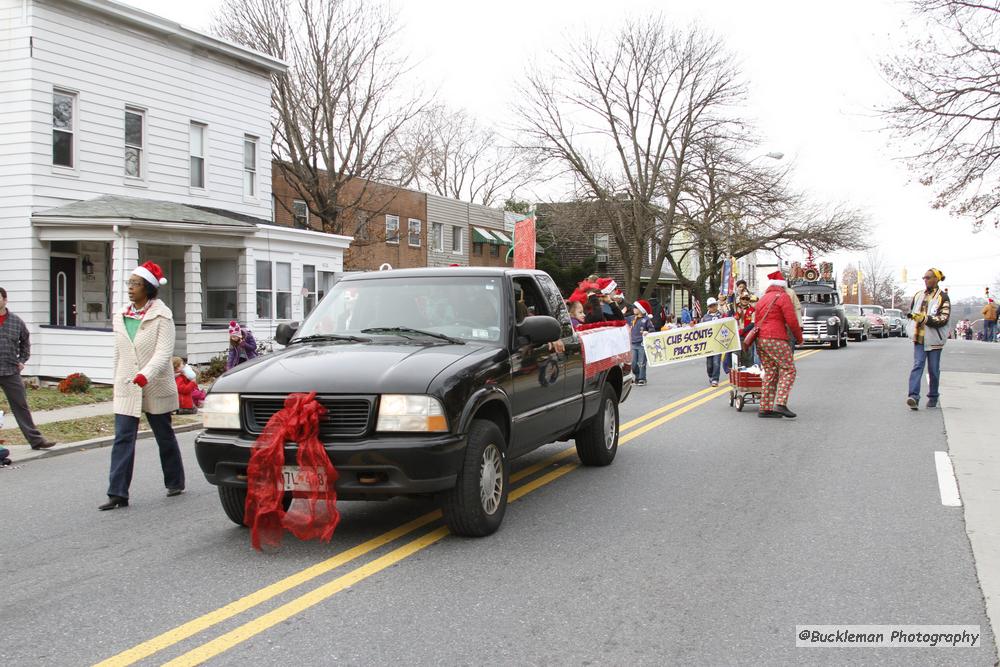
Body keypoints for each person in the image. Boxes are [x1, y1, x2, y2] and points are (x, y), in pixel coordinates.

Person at [100, 261, 185, 510]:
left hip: (155, 384)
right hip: (128, 385)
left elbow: (163, 353)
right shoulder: (121, 316)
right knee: (123, 437)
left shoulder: (163, 316)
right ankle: (117, 493)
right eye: (129, 283)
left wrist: (145, 374)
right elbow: (120, 353)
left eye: (136, 284)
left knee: (164, 435)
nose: (130, 288)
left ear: (148, 288)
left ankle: (175, 481)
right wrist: (117, 380)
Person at [0, 287, 56, 450]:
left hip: (10, 371)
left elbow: (25, 342)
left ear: (5, 300)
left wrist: (22, 360)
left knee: (21, 406)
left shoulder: (16, 322)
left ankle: (36, 440)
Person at [756, 271, 804, 419]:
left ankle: (765, 408)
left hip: (761, 340)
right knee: (789, 369)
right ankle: (781, 404)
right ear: (783, 286)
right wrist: (799, 338)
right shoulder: (783, 297)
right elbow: (792, 320)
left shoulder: (763, 298)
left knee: (770, 372)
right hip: (776, 337)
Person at [906, 268, 951, 410]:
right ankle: (913, 397)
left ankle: (933, 396)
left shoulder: (942, 298)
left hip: (934, 341)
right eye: (924, 277)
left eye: (928, 277)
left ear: (936, 279)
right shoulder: (918, 295)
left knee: (933, 370)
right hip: (919, 338)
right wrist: (913, 321)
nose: (925, 280)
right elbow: (913, 312)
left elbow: (943, 319)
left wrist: (925, 319)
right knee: (917, 366)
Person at [627, 300, 656, 386]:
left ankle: (642, 378)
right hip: (633, 343)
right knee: (633, 363)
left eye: (635, 308)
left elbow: (652, 330)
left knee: (641, 362)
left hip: (642, 344)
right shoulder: (632, 318)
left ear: (640, 309)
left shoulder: (646, 320)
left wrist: (648, 332)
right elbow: (622, 322)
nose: (633, 309)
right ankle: (637, 376)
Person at [701, 297, 725, 386]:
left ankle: (715, 379)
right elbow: (700, 329)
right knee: (709, 364)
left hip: (718, 342)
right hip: (708, 344)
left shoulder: (721, 315)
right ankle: (710, 376)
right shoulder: (705, 317)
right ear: (708, 307)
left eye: (714, 305)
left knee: (716, 362)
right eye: (711, 306)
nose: (713, 307)